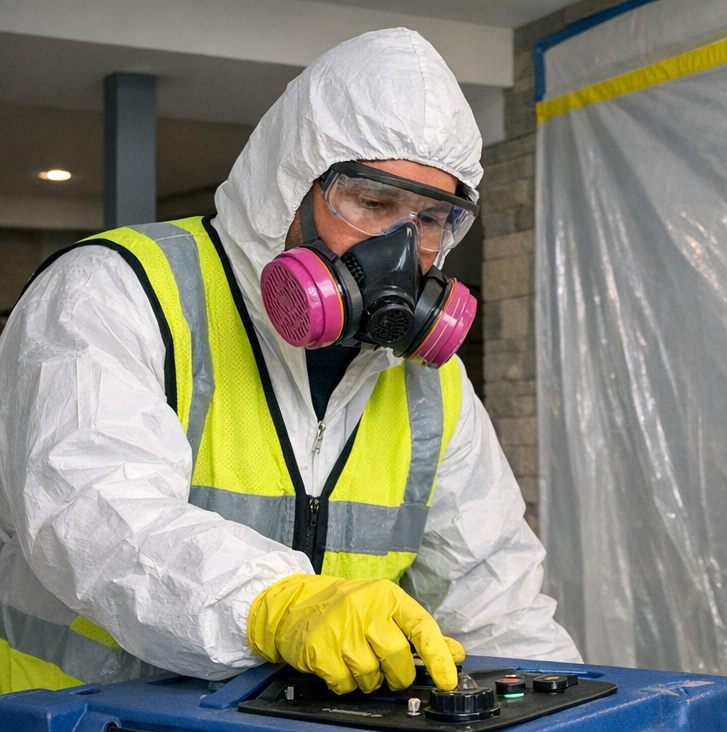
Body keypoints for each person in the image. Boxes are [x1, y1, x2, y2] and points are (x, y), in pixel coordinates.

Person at [0, 28, 579, 697]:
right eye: (372, 202)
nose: (400, 249)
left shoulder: (430, 380)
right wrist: (276, 604)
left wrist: (569, 723)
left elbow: (496, 599)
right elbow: (91, 516)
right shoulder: (116, 291)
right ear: (290, 185)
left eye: (428, 219)